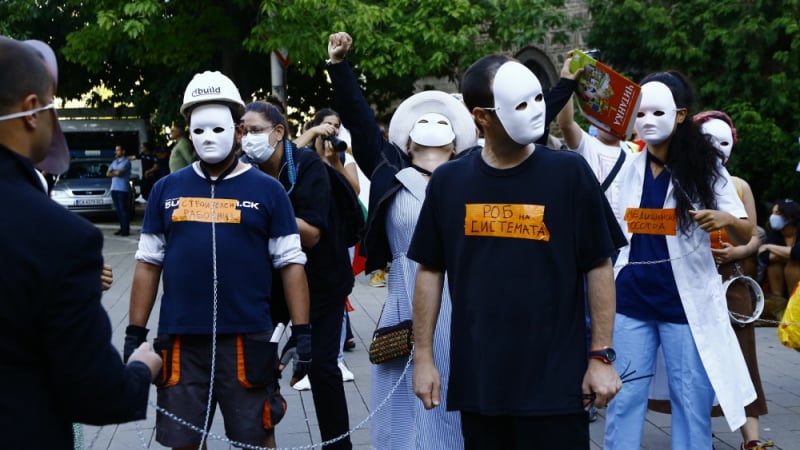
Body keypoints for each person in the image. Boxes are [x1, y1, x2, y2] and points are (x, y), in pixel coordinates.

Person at [407, 53, 624, 449]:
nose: (536, 112)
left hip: (556, 385)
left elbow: (599, 265)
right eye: (521, 104)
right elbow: (430, 271)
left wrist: (601, 357)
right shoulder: (449, 183)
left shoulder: (569, 174)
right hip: (481, 384)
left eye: (539, 99)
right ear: (482, 116)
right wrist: (423, 357)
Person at [126, 71, 312, 449]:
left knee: (256, 439)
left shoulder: (268, 191)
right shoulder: (166, 190)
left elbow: (291, 264)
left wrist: (304, 334)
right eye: (199, 130)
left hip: (247, 341)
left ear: (239, 130)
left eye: (218, 129)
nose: (208, 138)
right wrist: (134, 334)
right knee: (181, 442)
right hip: (180, 343)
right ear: (188, 131)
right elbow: (147, 263)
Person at [0, 36, 161, 449]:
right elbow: (99, 394)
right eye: (53, 102)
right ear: (30, 110)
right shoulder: (60, 237)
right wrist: (142, 368)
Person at [327, 32, 479, 449]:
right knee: (397, 399)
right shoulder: (389, 172)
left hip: (457, 299)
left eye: (441, 128)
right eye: (421, 128)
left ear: (456, 142)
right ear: (406, 140)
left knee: (449, 391)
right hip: (401, 296)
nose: (430, 133)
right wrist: (339, 67)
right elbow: (359, 119)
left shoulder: (470, 177)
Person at [603, 71, 756, 450]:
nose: (648, 121)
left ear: (682, 114)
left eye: (658, 112)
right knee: (624, 398)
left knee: (691, 400)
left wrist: (725, 219)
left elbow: (745, 230)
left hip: (684, 306)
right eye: (640, 114)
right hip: (631, 302)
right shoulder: (628, 165)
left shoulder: (706, 167)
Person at [645, 110, 773, 450]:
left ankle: (752, 438)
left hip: (731, 280)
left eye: (724, 141)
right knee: (689, 362)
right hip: (690, 280)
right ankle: (694, 431)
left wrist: (737, 251)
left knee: (741, 357)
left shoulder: (739, 185)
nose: (717, 147)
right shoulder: (678, 176)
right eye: (709, 140)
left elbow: (753, 234)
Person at [240, 99, 353, 450]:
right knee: (255, 365)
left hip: (321, 279)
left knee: (322, 369)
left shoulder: (306, 166)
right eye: (242, 131)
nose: (247, 138)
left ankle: (338, 445)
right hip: (268, 282)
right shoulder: (242, 169)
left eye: (255, 131)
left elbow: (312, 233)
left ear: (278, 132)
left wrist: (266, 202)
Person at [758, 198, 800, 299]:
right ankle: (778, 300)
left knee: (793, 265)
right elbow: (765, 256)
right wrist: (788, 254)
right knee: (774, 265)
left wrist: (769, 246)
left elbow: (797, 253)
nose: (773, 217)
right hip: (780, 275)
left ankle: (793, 301)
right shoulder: (776, 233)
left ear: (790, 217)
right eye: (773, 213)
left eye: (777, 213)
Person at [106, 144, 132, 236]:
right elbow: (107, 173)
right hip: (114, 188)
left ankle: (126, 229)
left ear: (123, 151)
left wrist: (114, 172)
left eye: (118, 150)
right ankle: (122, 228)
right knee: (118, 210)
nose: (116, 152)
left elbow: (119, 173)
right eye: (116, 150)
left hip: (122, 189)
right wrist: (115, 172)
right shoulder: (115, 162)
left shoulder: (126, 162)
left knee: (123, 209)